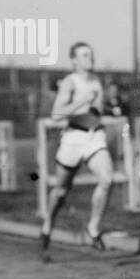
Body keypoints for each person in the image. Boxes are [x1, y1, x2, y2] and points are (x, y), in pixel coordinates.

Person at [41, 42, 114, 257]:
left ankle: (93, 228)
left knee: (107, 179)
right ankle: (47, 225)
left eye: (91, 55)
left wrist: (99, 109)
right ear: (74, 60)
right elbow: (57, 114)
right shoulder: (70, 82)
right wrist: (81, 101)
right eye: (84, 55)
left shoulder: (97, 82)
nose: (90, 58)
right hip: (73, 139)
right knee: (61, 191)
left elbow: (96, 111)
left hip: (94, 137)